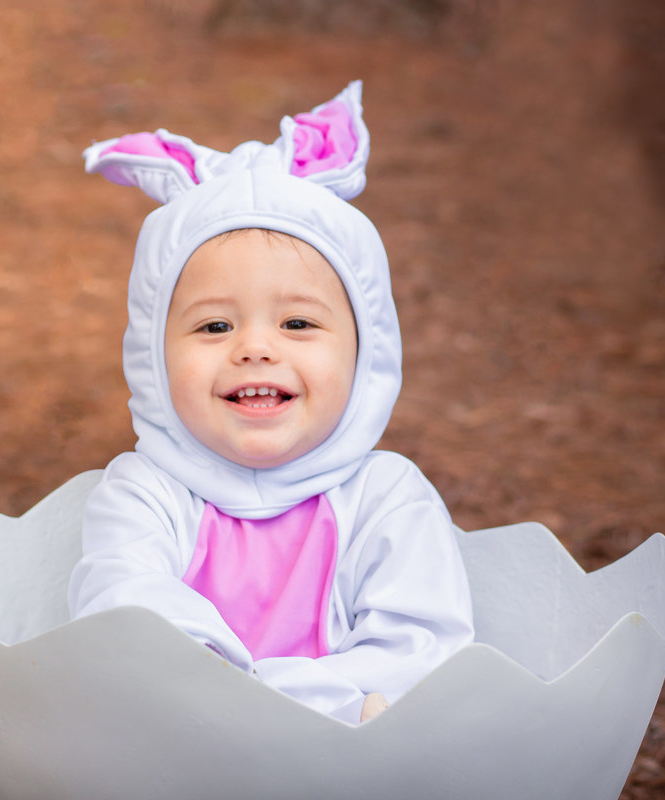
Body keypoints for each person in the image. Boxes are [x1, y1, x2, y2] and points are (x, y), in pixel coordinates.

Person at [68, 82, 473, 725]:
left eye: (298, 325)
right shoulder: (143, 494)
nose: (255, 349)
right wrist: (223, 695)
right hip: (181, 760)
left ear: (365, 354)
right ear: (152, 357)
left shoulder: (388, 496)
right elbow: (125, 607)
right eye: (215, 327)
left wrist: (275, 701)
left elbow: (420, 650)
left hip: (349, 769)